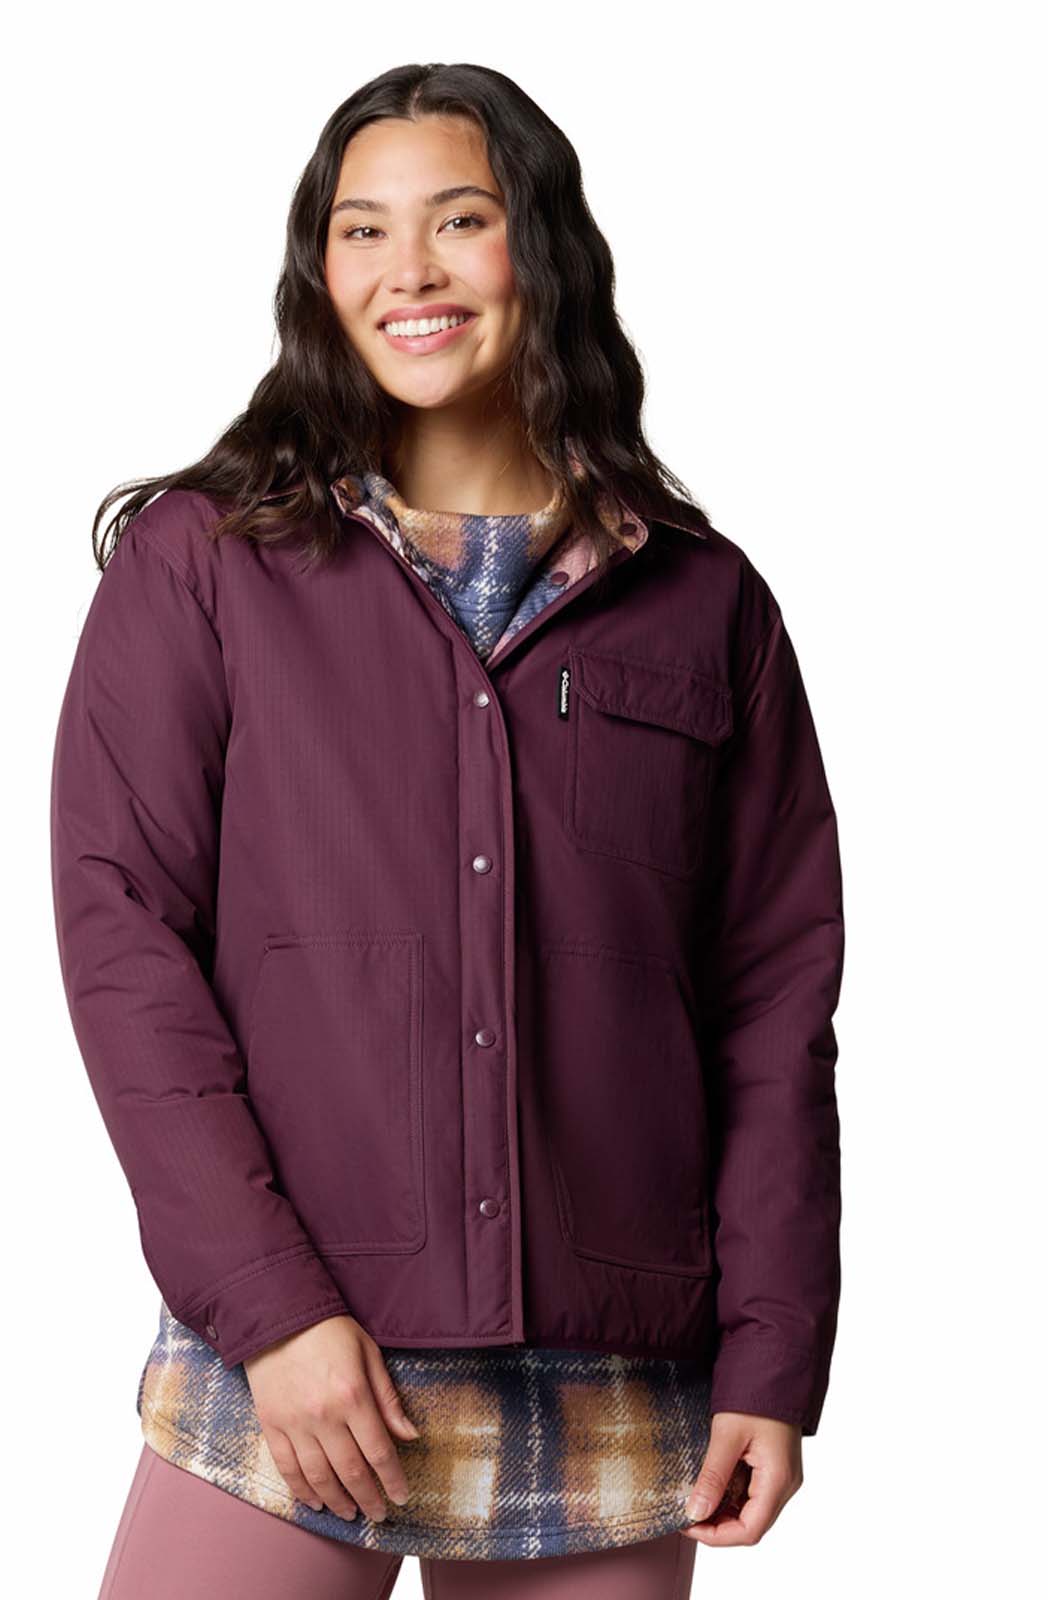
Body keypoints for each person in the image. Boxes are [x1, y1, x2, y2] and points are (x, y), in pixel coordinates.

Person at [49, 61, 844, 1599]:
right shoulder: (203, 564)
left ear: (539, 248)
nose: (406, 270)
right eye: (363, 230)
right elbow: (126, 949)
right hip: (289, 1353)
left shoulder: (705, 601)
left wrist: (775, 1351)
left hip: (613, 1378)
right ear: (319, 269)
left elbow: (769, 1005)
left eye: (459, 220)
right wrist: (272, 1310)